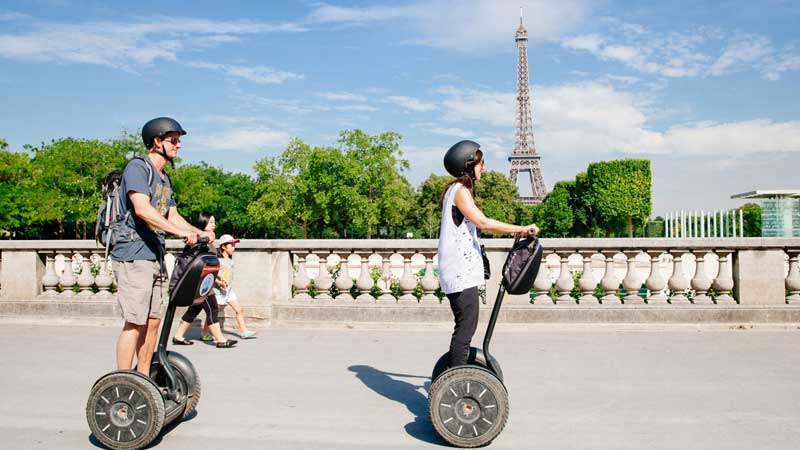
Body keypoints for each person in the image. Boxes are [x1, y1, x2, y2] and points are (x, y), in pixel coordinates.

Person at [111, 117, 215, 376]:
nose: (178, 146)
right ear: (157, 141)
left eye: (178, 141)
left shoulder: (164, 179)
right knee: (135, 322)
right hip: (132, 255)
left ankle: (144, 379)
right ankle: (124, 382)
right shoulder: (138, 168)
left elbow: (173, 216)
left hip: (153, 255)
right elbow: (143, 210)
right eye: (174, 140)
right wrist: (180, 233)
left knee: (153, 322)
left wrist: (199, 232)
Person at [437, 140, 538, 369]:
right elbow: (483, 221)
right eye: (481, 162)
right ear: (468, 164)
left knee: (465, 326)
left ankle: (456, 374)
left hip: (458, 271)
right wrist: (521, 229)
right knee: (465, 328)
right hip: (459, 273)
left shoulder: (457, 190)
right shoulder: (460, 191)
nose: (483, 167)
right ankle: (458, 381)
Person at [171, 213, 237, 348]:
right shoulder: (198, 241)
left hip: (205, 282)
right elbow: (198, 263)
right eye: (211, 222)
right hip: (201, 284)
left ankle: (178, 336)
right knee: (212, 308)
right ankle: (220, 339)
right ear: (203, 224)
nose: (214, 225)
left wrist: (218, 278)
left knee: (194, 310)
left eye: (214, 222)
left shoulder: (208, 241)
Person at [203, 234, 257, 340]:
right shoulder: (218, 260)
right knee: (213, 314)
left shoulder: (230, 260)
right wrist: (219, 282)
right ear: (223, 247)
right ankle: (205, 333)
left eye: (234, 245)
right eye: (231, 245)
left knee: (239, 310)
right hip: (218, 292)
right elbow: (211, 275)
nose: (233, 247)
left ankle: (244, 332)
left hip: (229, 291)